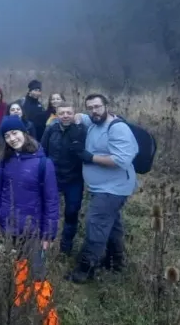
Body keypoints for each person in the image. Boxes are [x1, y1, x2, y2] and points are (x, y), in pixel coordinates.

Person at [0, 115, 60, 325]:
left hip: (34, 230)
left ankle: (50, 319)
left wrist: (49, 233)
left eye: (15, 133)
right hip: (8, 227)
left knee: (38, 273)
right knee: (18, 267)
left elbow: (52, 202)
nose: (12, 138)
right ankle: (20, 307)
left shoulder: (43, 163)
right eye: (7, 135)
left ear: (24, 133)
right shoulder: (5, 162)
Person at [66, 93, 139, 283]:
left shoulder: (117, 128)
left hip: (113, 189)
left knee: (96, 224)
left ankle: (86, 269)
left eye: (97, 107)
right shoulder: (93, 122)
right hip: (101, 187)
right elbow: (79, 117)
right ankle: (116, 261)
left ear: (107, 106)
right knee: (112, 224)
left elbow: (121, 160)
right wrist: (68, 116)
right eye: (90, 108)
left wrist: (90, 158)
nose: (93, 111)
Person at [41, 101, 86, 255]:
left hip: (74, 180)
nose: (65, 116)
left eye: (69, 113)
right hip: (53, 178)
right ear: (57, 115)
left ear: (74, 114)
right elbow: (43, 151)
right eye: (62, 113)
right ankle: (44, 241)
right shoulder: (51, 129)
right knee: (47, 210)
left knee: (72, 212)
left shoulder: (81, 130)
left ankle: (66, 247)